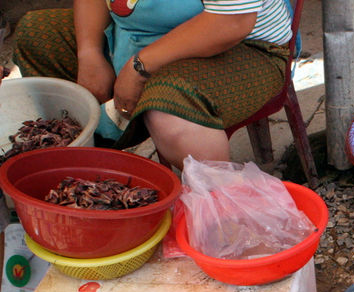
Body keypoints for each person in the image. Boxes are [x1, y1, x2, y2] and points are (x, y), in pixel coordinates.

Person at [12, 0, 294, 170]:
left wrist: (138, 69)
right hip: (136, 36)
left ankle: (215, 208)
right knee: (36, 34)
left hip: (243, 47)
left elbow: (232, 22)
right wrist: (89, 53)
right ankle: (88, 178)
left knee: (172, 102)